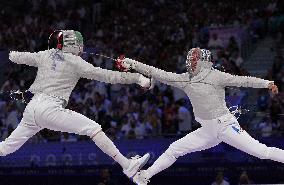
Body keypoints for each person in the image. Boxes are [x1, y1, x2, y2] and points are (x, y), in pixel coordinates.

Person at [116, 47, 282, 184]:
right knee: (174, 149)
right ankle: (144, 177)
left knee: (262, 152)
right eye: (190, 59)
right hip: (208, 131)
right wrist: (132, 63)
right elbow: (157, 72)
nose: (190, 62)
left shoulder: (216, 76)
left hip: (225, 126)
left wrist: (266, 83)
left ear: (203, 61)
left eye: (194, 59)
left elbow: (242, 80)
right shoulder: (185, 79)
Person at [0, 30, 150, 179]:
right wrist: (136, 78)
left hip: (31, 108)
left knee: (6, 147)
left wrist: (11, 54)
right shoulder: (77, 63)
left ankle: (129, 166)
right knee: (93, 129)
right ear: (76, 45)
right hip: (49, 109)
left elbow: (16, 56)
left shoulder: (47, 54)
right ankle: (127, 166)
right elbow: (108, 76)